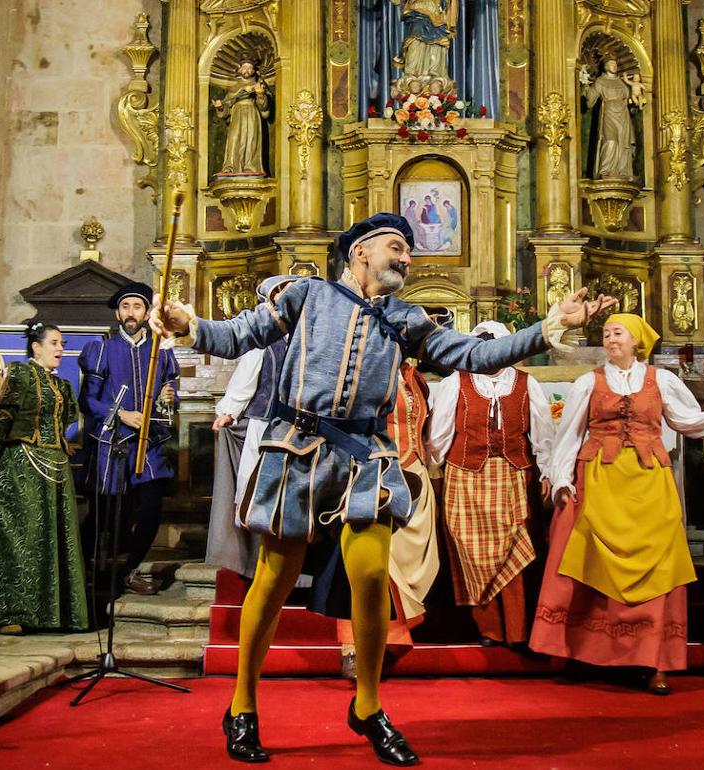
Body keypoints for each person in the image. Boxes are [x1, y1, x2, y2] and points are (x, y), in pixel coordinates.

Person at [149, 212, 615, 766]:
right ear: (361, 252)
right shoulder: (308, 295)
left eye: (409, 251)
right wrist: (186, 322)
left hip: (364, 454)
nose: (407, 258)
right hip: (296, 448)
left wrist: (548, 326)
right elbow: (238, 334)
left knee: (370, 575)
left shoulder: (406, 318)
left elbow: (474, 354)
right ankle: (243, 703)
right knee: (274, 577)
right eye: (397, 246)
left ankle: (367, 706)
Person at [529, 313, 704, 695]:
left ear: (636, 340)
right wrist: (563, 480)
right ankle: (585, 652)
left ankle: (657, 662)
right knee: (586, 557)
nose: (610, 339)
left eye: (617, 333)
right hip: (599, 480)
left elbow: (688, 420)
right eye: (606, 334)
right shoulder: (589, 382)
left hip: (648, 481)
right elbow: (568, 433)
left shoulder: (662, 380)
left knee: (658, 566)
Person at [426, 320, 555, 647]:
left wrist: (548, 472)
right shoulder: (458, 381)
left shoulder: (526, 383)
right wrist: (432, 472)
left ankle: (515, 631)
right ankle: (490, 629)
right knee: (470, 554)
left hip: (513, 477)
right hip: (466, 477)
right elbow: (439, 435)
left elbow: (543, 435)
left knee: (515, 554)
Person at [0, 321, 89, 634]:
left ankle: (53, 613)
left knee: (52, 539)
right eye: (54, 343)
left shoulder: (61, 384)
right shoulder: (20, 374)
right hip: (24, 464)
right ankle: (14, 612)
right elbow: (4, 416)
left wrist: (64, 445)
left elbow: (66, 419)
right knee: (22, 539)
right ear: (36, 346)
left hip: (55, 469)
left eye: (62, 343)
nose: (60, 349)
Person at [337, 358, 440, 678]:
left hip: (414, 476)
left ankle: (387, 642)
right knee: (370, 564)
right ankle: (353, 648)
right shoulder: (361, 372)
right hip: (376, 476)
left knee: (404, 565)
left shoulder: (415, 378)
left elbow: (422, 429)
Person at [79, 282, 180, 596]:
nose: (131, 313)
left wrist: (169, 396)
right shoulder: (103, 350)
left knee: (151, 509)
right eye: (125, 307)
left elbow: (170, 399)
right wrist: (121, 414)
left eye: (137, 307)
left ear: (147, 312)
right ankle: (78, 572)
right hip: (112, 444)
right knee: (104, 515)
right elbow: (87, 401)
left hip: (149, 444)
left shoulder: (160, 351)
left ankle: (130, 570)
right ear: (117, 313)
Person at [206, 283, 290, 580]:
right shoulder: (264, 335)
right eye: (281, 293)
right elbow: (248, 374)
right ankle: (255, 563)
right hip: (264, 421)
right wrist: (229, 410)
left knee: (293, 495)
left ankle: (296, 569)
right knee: (258, 492)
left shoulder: (312, 331)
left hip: (300, 427)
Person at [213, 59, 271, 177]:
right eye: (244, 67)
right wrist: (220, 107)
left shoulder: (258, 84)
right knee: (234, 139)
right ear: (239, 69)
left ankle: (251, 167)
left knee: (251, 139)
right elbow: (226, 108)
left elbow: (264, 107)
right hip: (237, 115)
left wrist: (260, 94)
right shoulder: (234, 88)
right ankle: (230, 167)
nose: (247, 70)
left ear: (254, 71)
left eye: (249, 68)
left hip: (252, 113)